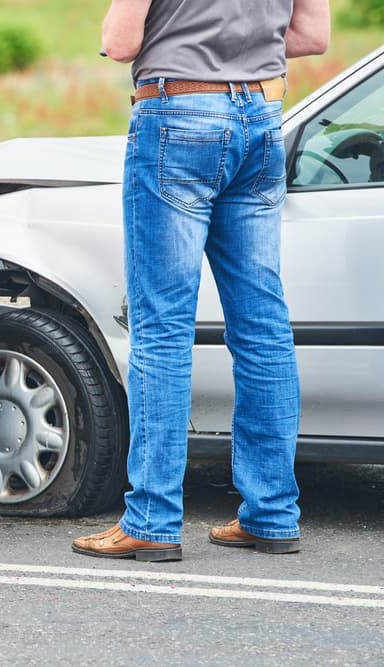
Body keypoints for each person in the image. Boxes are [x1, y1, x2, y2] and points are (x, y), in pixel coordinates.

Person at [72, 0, 331, 562]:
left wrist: (195, 45)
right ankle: (272, 514)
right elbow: (313, 36)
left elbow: (120, 41)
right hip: (261, 119)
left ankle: (152, 521)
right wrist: (238, 48)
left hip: (178, 117)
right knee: (263, 326)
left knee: (162, 328)